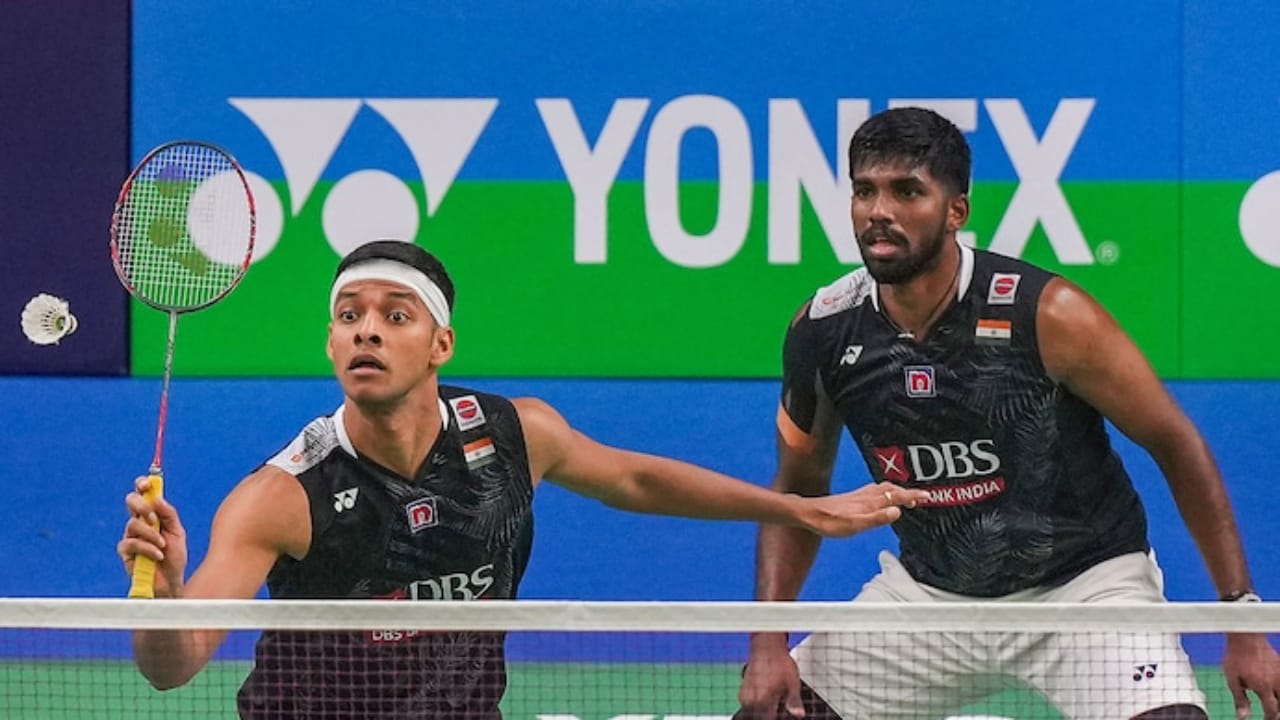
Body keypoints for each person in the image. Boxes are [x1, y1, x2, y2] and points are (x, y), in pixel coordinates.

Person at [118, 239, 928, 719]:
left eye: (395, 315)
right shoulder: (283, 496)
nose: (367, 331)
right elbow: (170, 667)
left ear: (440, 345)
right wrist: (164, 594)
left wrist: (798, 509)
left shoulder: (512, 435)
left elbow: (636, 480)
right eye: (349, 315)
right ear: (330, 344)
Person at [735, 107, 1280, 720]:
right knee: (774, 713)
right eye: (865, 191)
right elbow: (798, 492)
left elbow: (1176, 444)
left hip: (1083, 592)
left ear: (956, 210)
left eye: (907, 191)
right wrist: (768, 641)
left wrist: (1243, 620)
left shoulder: (1048, 314)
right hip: (929, 601)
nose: (878, 211)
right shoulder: (825, 331)